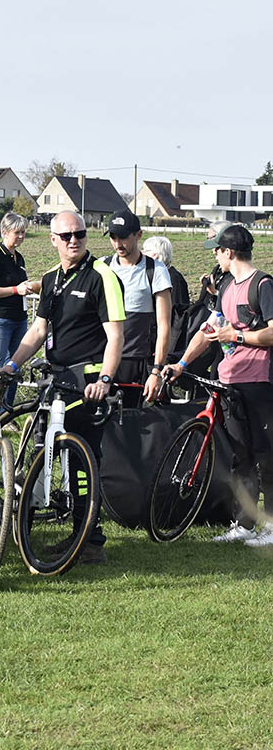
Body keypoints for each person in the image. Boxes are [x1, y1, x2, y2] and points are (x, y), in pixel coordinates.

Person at [0, 210, 125, 565]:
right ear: (53, 240)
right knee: (46, 448)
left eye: (79, 234)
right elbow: (38, 331)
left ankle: (90, 540)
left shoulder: (103, 277)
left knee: (84, 461)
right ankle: (50, 526)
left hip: (89, 380)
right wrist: (10, 365)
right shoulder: (51, 279)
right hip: (58, 377)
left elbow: (116, 336)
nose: (73, 241)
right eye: (66, 236)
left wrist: (105, 380)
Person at [165, 224, 273, 545]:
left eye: (217, 249)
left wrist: (236, 336)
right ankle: (245, 524)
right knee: (240, 456)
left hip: (260, 383)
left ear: (229, 252)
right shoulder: (225, 287)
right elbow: (207, 331)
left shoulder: (263, 285)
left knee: (266, 456)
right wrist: (181, 363)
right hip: (228, 382)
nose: (214, 254)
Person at [104, 209, 172, 407]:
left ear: (138, 235)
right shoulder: (103, 267)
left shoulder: (156, 271)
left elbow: (164, 325)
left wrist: (157, 370)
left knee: (129, 422)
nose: (118, 244)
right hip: (103, 359)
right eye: (113, 237)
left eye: (123, 237)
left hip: (135, 362)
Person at [0, 211, 39, 411]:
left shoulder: (19, 258)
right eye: (17, 233)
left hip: (18, 319)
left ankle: (6, 413)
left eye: (23, 233)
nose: (21, 237)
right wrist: (16, 289)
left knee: (14, 366)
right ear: (5, 232)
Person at [142, 235, 190, 356]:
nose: (142, 254)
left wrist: (165, 347)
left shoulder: (174, 279)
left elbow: (177, 318)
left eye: (145, 251)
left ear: (157, 256)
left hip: (163, 348)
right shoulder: (153, 276)